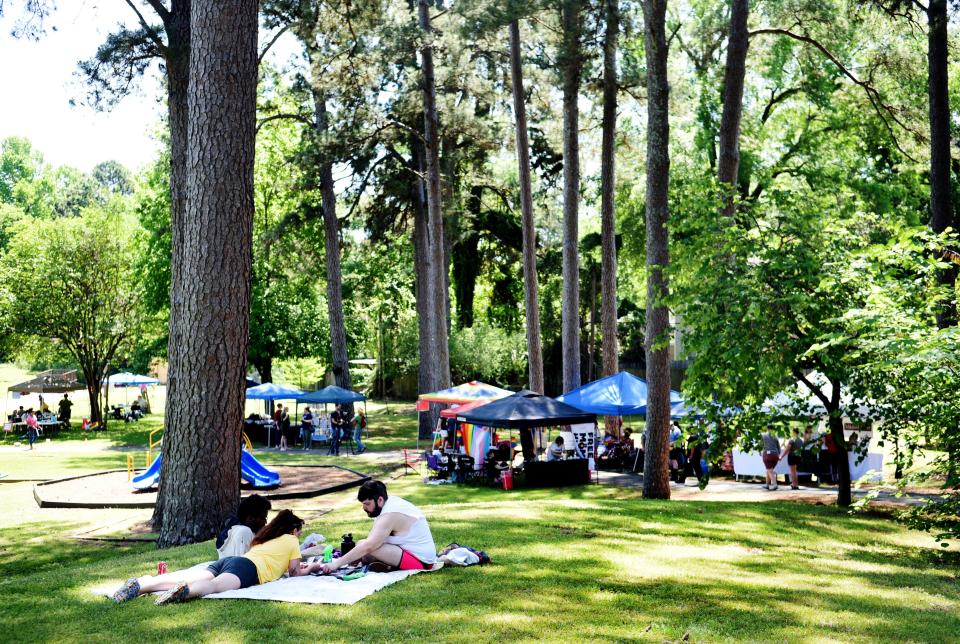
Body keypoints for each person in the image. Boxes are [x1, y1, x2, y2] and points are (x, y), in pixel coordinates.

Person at [112, 509, 309, 605]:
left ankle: (143, 583)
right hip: (249, 570)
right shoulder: (291, 540)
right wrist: (312, 569)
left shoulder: (266, 537)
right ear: (294, 530)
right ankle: (185, 592)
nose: (299, 536)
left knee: (195, 576)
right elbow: (294, 571)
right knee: (214, 586)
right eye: (299, 532)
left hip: (231, 561)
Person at [311, 480, 436, 574]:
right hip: (411, 554)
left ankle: (385, 565)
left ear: (380, 500)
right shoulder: (388, 505)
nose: (364, 508)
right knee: (362, 545)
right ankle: (383, 564)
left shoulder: (389, 514)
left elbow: (370, 546)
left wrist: (336, 564)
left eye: (367, 504)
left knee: (367, 547)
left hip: (421, 562)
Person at [216, 494, 272, 559]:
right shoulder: (245, 531)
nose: (265, 522)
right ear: (250, 518)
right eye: (263, 518)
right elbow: (244, 564)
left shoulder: (235, 527)